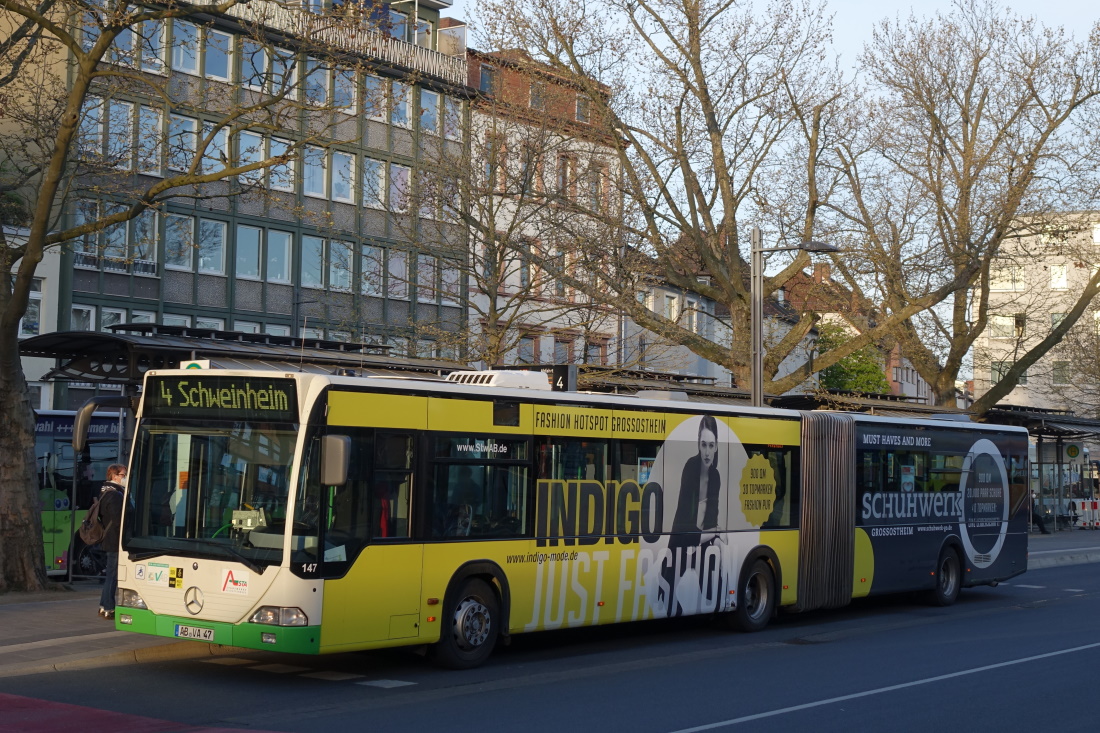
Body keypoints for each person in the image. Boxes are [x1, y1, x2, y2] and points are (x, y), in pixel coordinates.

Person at [664, 415, 723, 616]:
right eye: (703, 445)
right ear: (698, 445)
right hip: (683, 537)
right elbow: (684, 520)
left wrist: (713, 535)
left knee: (714, 593)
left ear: (716, 447)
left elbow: (713, 517)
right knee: (669, 597)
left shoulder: (715, 476)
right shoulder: (690, 468)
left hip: (703, 541)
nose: (707, 452)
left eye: (711, 446)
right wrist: (714, 534)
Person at [98, 464, 128, 620]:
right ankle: (109, 607)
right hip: (115, 539)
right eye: (123, 475)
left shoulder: (105, 491)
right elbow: (118, 520)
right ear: (114, 476)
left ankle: (103, 605)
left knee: (110, 573)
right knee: (113, 575)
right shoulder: (115, 495)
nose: (125, 477)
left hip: (108, 538)